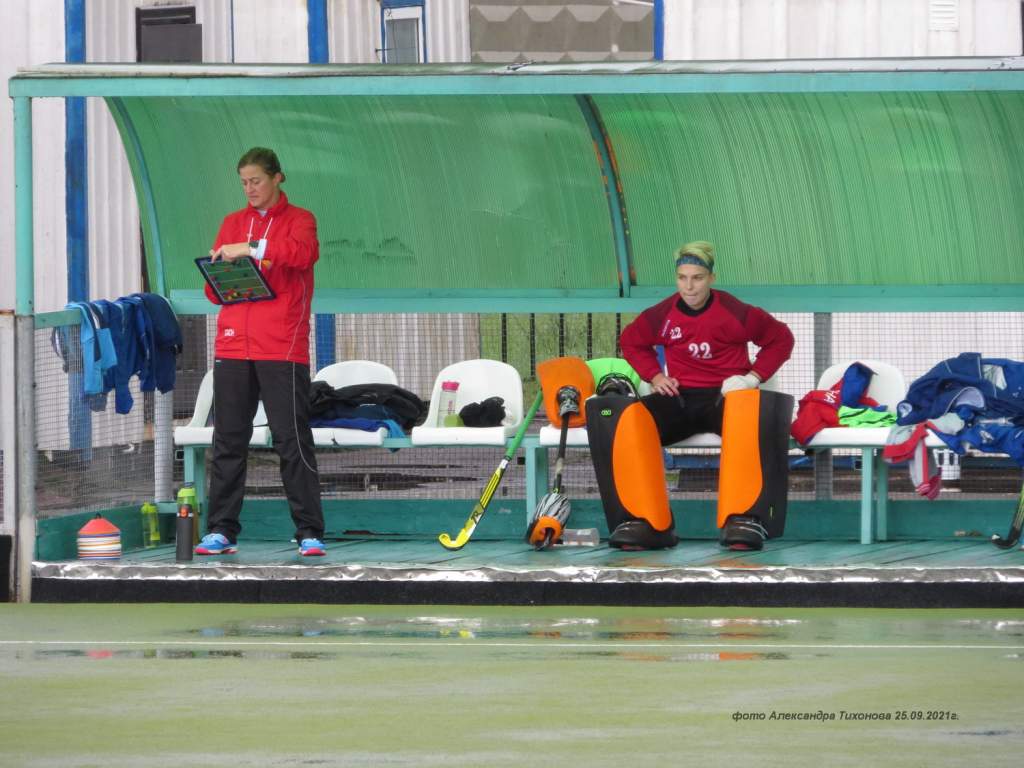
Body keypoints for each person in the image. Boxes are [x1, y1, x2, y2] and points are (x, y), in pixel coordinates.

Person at [618, 241, 795, 549]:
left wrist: (751, 378)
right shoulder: (662, 314)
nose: (689, 286)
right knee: (632, 421)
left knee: (748, 424)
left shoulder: (735, 312)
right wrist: (655, 375)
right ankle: (650, 523)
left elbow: (781, 339)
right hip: (681, 398)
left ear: (711, 278)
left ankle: (743, 519)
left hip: (724, 398)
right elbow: (631, 341)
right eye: (682, 277)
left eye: (697, 277)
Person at [195, 147, 326, 557]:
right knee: (228, 440)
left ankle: (308, 531)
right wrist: (223, 275)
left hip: (282, 348)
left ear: (277, 178)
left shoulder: (300, 220)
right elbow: (210, 289)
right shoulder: (231, 222)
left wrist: (251, 249)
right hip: (233, 345)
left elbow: (303, 255)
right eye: (244, 182)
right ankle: (221, 530)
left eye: (256, 180)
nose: (250, 189)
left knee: (291, 440)